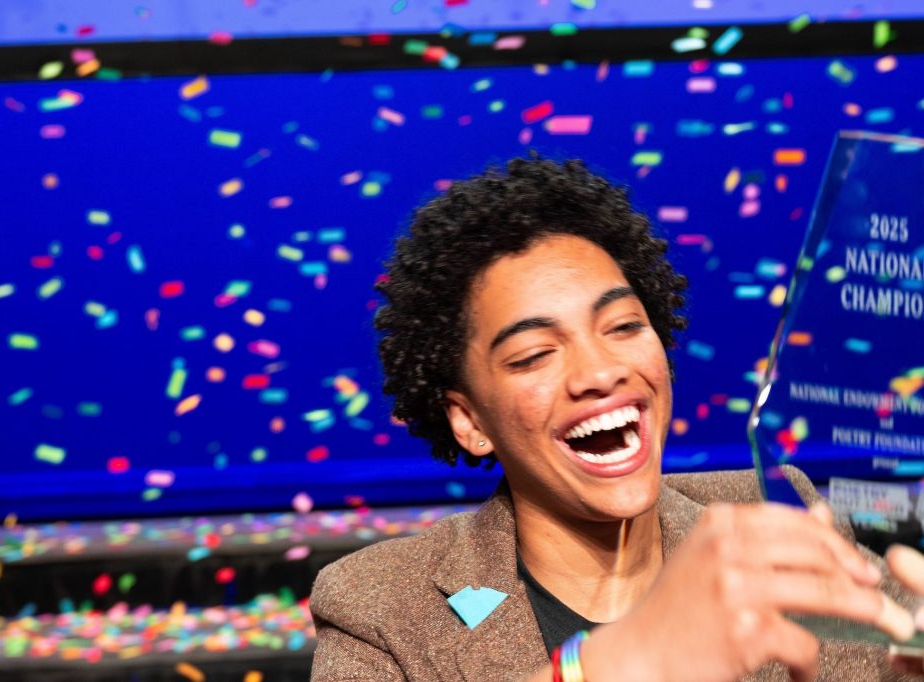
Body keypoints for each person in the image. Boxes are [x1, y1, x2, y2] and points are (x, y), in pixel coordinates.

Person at [309, 156, 924, 681]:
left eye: (624, 326)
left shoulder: (773, 516)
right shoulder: (380, 608)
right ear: (469, 419)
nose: (599, 373)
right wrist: (620, 660)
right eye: (533, 355)